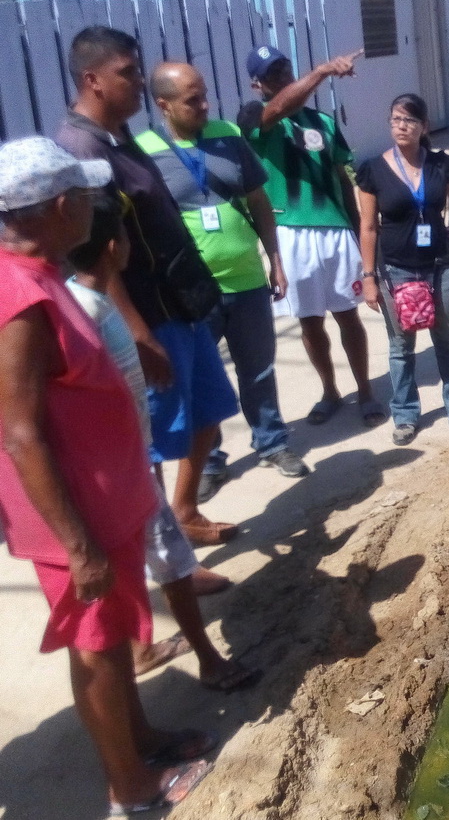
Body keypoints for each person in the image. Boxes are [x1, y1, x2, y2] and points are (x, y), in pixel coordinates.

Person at [0, 136, 214, 815]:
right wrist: (78, 544)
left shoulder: (44, 276)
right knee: (95, 645)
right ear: (61, 205)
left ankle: (141, 737)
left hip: (108, 501)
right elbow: (21, 429)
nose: (99, 208)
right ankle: (132, 788)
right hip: (78, 519)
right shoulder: (17, 295)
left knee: (116, 636)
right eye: (89, 198)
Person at [54, 27, 240, 547]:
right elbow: (96, 259)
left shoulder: (120, 135)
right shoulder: (81, 150)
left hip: (180, 305)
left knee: (207, 415)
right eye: (127, 73)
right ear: (92, 79)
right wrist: (138, 335)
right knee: (152, 445)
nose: (139, 83)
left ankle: (184, 513)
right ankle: (167, 553)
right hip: (146, 320)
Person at [65, 205, 259, 693]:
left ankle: (141, 648)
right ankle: (212, 663)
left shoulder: (86, 302)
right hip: (121, 464)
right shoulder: (87, 312)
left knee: (142, 559)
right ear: (116, 248)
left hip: (126, 459)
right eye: (129, 237)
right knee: (172, 560)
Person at [137, 62, 309, 502]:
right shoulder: (145, 151)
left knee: (260, 368)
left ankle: (272, 443)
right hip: (192, 292)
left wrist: (275, 259)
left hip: (248, 279)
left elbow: (258, 200)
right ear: (164, 105)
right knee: (198, 380)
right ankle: (209, 461)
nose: (203, 105)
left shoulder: (228, 136)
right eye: (192, 100)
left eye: (204, 95)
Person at [239, 44, 383, 428]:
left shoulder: (324, 122)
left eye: (285, 68)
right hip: (290, 231)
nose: (283, 76)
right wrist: (321, 72)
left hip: (334, 231)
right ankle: (330, 390)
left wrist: (362, 236)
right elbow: (278, 109)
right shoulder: (255, 116)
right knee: (310, 321)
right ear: (258, 85)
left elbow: (342, 178)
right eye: (273, 74)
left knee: (347, 315)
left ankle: (365, 389)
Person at [356, 94, 449, 446]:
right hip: (395, 271)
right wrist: (368, 277)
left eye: (410, 121)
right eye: (396, 120)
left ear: (424, 127)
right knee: (401, 347)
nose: (402, 126)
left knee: (446, 340)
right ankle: (404, 415)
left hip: (440, 267)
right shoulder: (373, 170)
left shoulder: (440, 164)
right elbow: (368, 227)